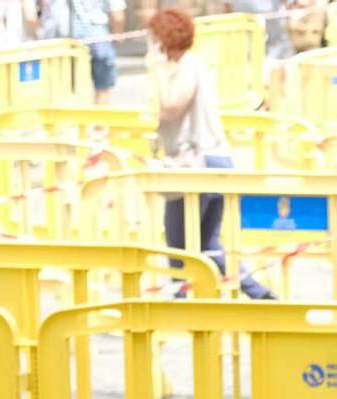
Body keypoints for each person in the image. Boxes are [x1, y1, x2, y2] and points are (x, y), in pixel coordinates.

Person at [150, 7, 274, 300]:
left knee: (180, 247)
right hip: (215, 162)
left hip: (196, 166)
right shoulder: (193, 66)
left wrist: (156, 70)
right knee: (208, 245)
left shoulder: (186, 67)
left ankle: (182, 306)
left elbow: (171, 106)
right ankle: (260, 294)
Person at [39, 0, 124, 103]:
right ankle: (100, 116)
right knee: (102, 88)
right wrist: (118, 33)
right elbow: (117, 14)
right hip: (96, 36)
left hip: (61, 39)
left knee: (60, 88)